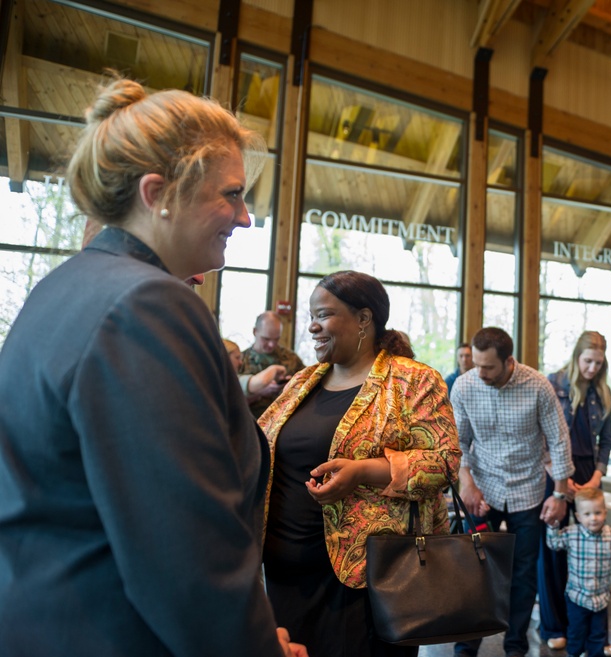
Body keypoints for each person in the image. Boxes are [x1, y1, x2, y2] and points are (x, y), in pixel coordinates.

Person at [0, 77, 305, 656]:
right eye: (232, 195)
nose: (244, 219)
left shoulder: (64, 287)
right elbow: (182, 553)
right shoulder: (149, 305)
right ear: (157, 192)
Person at [258, 270, 461, 657]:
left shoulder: (412, 381)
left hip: (369, 580)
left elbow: (444, 461)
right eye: (312, 316)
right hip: (286, 576)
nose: (313, 327)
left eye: (324, 314)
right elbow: (256, 447)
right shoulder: (302, 383)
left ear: (364, 319)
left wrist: (364, 471)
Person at [451, 327, 573, 657]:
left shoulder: (537, 386)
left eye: (488, 367)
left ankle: (516, 647)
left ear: (508, 361)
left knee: (522, 576)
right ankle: (465, 648)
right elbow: (458, 442)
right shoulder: (464, 385)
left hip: (528, 492)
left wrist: (560, 495)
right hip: (482, 491)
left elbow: (559, 440)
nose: (480, 372)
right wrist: (467, 484)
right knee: (473, 572)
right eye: (476, 364)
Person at [538, 330, 611, 651]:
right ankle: (554, 627)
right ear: (576, 356)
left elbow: (606, 441)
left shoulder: (603, 391)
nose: (592, 368)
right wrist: (558, 477)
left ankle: (586, 632)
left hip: (587, 475)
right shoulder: (552, 384)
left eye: (598, 363)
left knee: (587, 552)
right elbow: (539, 433)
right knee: (554, 551)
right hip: (555, 473)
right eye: (587, 361)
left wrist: (596, 478)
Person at [545, 488, 611, 657]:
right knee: (576, 633)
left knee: (598, 635)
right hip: (577, 597)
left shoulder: (610, 535)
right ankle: (574, 653)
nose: (593, 518)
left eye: (597, 513)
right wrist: (553, 526)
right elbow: (554, 543)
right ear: (578, 516)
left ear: (605, 513)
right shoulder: (572, 533)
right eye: (587, 514)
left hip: (600, 599)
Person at [240, 310, 306, 418]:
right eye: (266, 339)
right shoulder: (240, 361)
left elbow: (308, 385)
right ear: (255, 331)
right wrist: (259, 392)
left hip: (285, 424)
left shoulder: (291, 359)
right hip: (253, 425)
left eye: (276, 339)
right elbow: (231, 402)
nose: (271, 344)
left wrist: (293, 384)